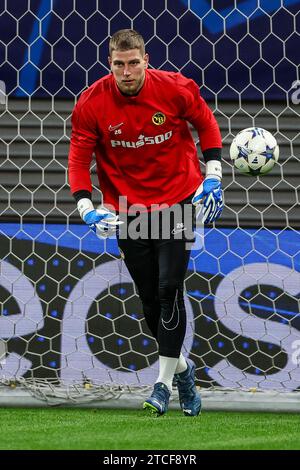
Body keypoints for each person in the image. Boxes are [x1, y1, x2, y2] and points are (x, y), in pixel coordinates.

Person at [68, 29, 223, 417]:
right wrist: (86, 207)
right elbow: (77, 161)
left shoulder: (175, 88)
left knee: (170, 286)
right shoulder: (91, 103)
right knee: (151, 300)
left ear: (146, 60)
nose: (126, 71)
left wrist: (214, 174)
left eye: (133, 62)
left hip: (177, 199)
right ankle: (184, 372)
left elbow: (206, 123)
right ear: (110, 64)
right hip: (126, 209)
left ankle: (161, 385)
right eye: (118, 64)